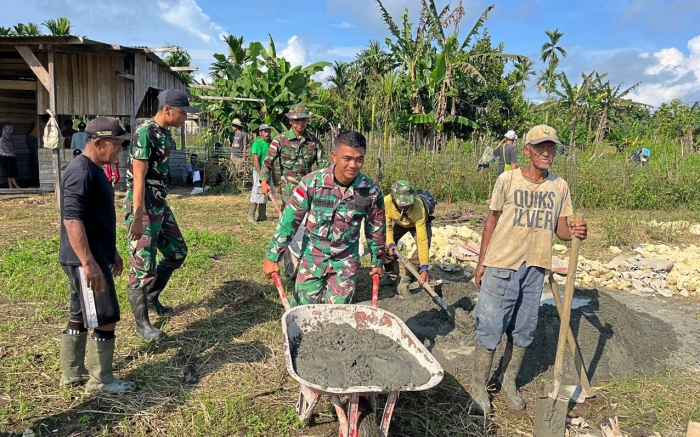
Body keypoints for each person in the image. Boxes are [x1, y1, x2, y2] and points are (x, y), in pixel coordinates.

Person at [469, 125, 588, 414]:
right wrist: (481, 262)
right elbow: (491, 220)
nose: (546, 152)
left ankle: (508, 382)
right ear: (527, 150)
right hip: (501, 264)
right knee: (490, 327)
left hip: (536, 267)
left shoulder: (559, 186)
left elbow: (560, 228)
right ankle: (477, 387)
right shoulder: (507, 180)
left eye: (552, 147)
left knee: (523, 330)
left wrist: (574, 232)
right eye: (540, 147)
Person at [58, 117, 137, 393]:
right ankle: (101, 381)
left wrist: (110, 250)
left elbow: (95, 219)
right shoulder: (82, 171)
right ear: (99, 142)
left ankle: (72, 373)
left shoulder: (95, 169)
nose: (119, 151)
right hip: (85, 259)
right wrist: (89, 263)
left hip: (93, 254)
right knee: (105, 316)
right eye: (116, 145)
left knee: (80, 312)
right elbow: (72, 220)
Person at [262, 130, 385, 306]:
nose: (353, 165)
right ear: (334, 156)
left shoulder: (370, 191)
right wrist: (273, 256)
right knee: (303, 310)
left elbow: (376, 229)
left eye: (359, 159)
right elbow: (290, 221)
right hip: (313, 255)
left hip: (345, 259)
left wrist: (377, 261)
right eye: (347, 158)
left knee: (338, 316)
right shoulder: (312, 183)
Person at [124, 89, 197, 340]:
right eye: (182, 112)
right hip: (142, 206)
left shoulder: (164, 134)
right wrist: (137, 215)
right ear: (168, 110)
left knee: (177, 252)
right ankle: (142, 324)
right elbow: (138, 180)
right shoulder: (145, 133)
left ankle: (152, 297)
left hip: (159, 204)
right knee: (143, 265)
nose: (185, 117)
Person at [259, 104, 329, 278]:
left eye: (304, 119)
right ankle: (290, 268)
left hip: (310, 194)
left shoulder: (313, 141)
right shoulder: (280, 140)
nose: (300, 123)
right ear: (290, 121)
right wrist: (263, 181)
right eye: (297, 120)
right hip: (289, 195)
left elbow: (324, 166)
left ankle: (306, 266)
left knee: (308, 229)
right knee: (288, 228)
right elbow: (268, 161)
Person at [381, 180, 432, 298]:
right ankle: (392, 276)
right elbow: (387, 227)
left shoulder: (418, 207)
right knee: (383, 244)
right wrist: (391, 244)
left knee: (422, 249)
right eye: (401, 203)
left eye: (407, 203)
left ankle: (404, 283)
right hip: (398, 221)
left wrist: (424, 267)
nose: (405, 205)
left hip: (416, 223)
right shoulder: (387, 202)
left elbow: (422, 240)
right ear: (393, 197)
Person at [248, 124, 273, 223]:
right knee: (256, 191)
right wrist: (260, 174)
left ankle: (262, 215)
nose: (267, 133)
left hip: (268, 172)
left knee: (264, 192)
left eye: (268, 131)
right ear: (260, 133)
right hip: (259, 172)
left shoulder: (271, 144)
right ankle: (250, 216)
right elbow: (255, 159)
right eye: (264, 131)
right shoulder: (257, 143)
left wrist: (273, 175)